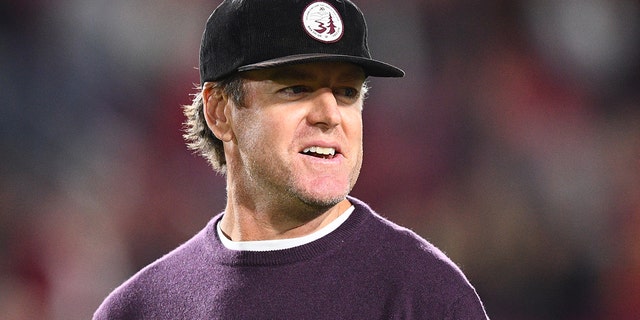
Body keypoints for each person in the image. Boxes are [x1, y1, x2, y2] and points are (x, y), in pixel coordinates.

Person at [94, 0, 489, 318]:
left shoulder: (422, 293)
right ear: (219, 111)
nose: (330, 114)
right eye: (296, 88)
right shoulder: (142, 308)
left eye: (347, 93)